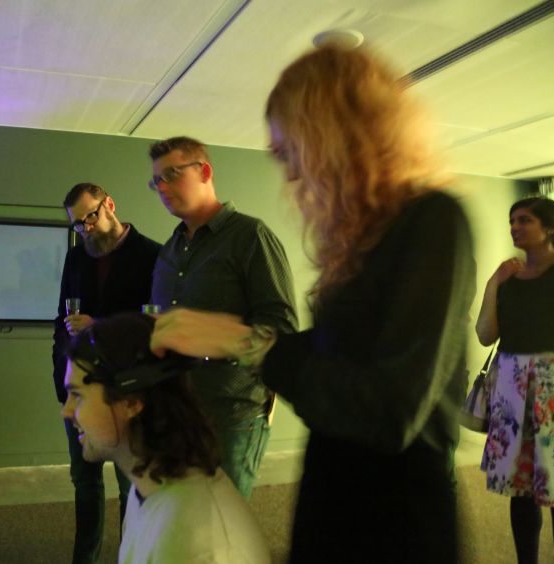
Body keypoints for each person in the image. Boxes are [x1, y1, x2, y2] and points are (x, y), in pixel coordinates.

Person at [149, 44, 477, 563]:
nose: (292, 174)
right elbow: (334, 358)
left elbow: (389, 410)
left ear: (338, 131)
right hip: (338, 494)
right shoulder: (364, 240)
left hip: (395, 521)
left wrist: (244, 341)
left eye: (291, 150)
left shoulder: (434, 219)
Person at [147, 135, 298, 499]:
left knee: (223, 520)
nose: (162, 187)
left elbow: (281, 331)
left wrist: (213, 336)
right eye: (156, 181)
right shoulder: (170, 250)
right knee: (181, 516)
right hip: (174, 410)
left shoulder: (250, 236)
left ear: (205, 172)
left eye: (171, 174)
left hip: (231, 414)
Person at [62, 312, 271, 563]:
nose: (67, 411)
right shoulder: (147, 483)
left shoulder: (193, 540)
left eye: (78, 396)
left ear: (131, 401)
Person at [52, 182, 161, 563]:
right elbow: (61, 321)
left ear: (109, 204)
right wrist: (62, 381)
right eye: (78, 224)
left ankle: (133, 556)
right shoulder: (76, 257)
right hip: (80, 388)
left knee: (130, 483)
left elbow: (154, 326)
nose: (86, 229)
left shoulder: (152, 256)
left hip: (126, 388)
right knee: (84, 481)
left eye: (90, 217)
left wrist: (98, 325)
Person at [475, 196, 554, 564]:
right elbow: (485, 335)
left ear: (551, 228)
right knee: (522, 487)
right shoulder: (508, 277)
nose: (514, 227)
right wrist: (493, 283)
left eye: (524, 220)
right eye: (512, 221)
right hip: (513, 387)